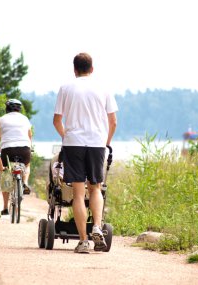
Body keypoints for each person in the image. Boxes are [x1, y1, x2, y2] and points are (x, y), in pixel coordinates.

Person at [53, 52, 118, 253]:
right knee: (96, 188)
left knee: (79, 193)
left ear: (74, 70)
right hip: (97, 143)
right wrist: (106, 143)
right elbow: (113, 122)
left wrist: (67, 137)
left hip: (73, 143)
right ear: (92, 69)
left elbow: (57, 120)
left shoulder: (65, 88)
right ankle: (97, 226)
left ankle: (83, 241)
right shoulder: (104, 88)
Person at [0, 99, 33, 215]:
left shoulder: (0, 120)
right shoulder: (25, 119)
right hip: (24, 149)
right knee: (27, 165)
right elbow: (29, 136)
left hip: (7, 150)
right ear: (19, 109)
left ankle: (5, 207)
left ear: (7, 108)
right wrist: (30, 148)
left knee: (6, 173)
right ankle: (25, 182)